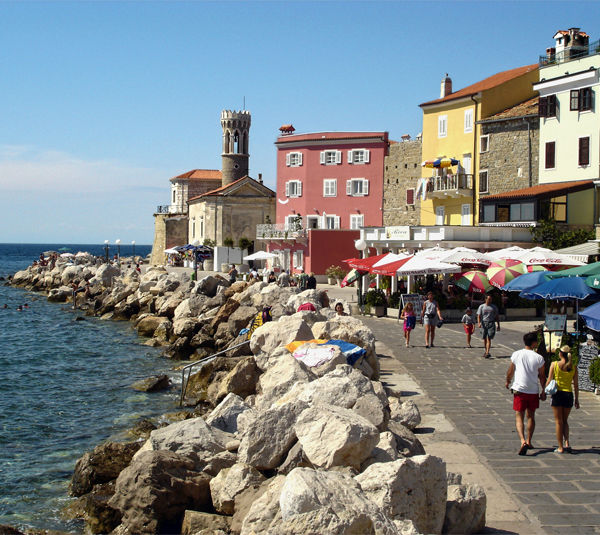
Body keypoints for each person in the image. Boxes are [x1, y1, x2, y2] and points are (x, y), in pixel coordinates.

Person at [505, 331, 546, 456]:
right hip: (532, 390)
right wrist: (543, 390)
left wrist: (508, 381)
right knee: (531, 416)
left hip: (519, 389)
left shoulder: (516, 354)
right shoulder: (539, 358)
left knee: (519, 416)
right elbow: (542, 376)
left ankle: (522, 440)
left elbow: (510, 371)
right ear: (534, 343)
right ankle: (529, 440)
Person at [546, 345, 580, 453]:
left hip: (557, 394)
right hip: (568, 395)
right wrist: (577, 399)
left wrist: (544, 391)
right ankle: (567, 442)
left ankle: (560, 447)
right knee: (565, 421)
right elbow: (576, 386)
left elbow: (549, 380)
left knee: (558, 422)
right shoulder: (573, 367)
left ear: (560, 353)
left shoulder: (554, 364)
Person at [477, 294, 500, 358]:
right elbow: (479, 315)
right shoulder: (481, 306)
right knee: (484, 338)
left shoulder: (494, 307)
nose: (490, 300)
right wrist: (479, 323)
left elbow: (497, 317)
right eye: (489, 299)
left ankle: (487, 352)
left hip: (491, 323)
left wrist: (498, 325)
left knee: (489, 338)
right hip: (484, 323)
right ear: (486, 299)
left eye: (491, 299)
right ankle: (486, 350)